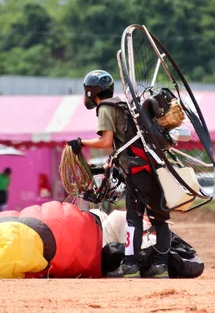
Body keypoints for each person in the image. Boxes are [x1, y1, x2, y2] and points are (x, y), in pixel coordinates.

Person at [67, 69, 171, 279]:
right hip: (148, 167)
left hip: (137, 170)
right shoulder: (123, 105)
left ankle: (132, 265)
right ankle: (160, 265)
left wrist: (80, 144)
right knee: (159, 216)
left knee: (135, 218)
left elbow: (105, 141)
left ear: (91, 92)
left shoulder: (105, 107)